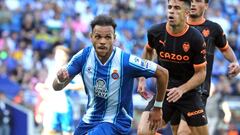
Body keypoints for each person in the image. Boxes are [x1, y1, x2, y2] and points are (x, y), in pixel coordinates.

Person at [52, 15, 169, 135]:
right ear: (91, 37)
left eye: (107, 37)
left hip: (117, 121)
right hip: (90, 119)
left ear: (114, 38)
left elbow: (163, 73)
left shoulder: (125, 61)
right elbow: (56, 87)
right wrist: (60, 79)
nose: (102, 41)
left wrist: (158, 107)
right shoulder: (83, 57)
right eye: (98, 37)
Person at [137, 0, 209, 135]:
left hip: (189, 93)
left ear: (186, 12)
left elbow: (201, 74)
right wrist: (142, 78)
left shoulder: (196, 38)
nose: (171, 11)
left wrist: (181, 89)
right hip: (165, 91)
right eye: (169, 7)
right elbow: (148, 51)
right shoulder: (155, 32)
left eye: (177, 8)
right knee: (143, 132)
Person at [176, 0, 240, 135]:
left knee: (183, 132)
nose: (193, 4)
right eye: (190, 1)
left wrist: (234, 61)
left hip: (199, 90)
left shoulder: (214, 28)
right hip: (174, 87)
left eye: (198, 1)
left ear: (206, 5)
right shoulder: (175, 26)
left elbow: (225, 48)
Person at [35, 45, 83, 135]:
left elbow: (82, 85)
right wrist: (42, 86)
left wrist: (68, 87)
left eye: (62, 55)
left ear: (66, 57)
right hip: (52, 107)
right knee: (48, 131)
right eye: (58, 54)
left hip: (65, 107)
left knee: (67, 133)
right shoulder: (53, 69)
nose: (59, 57)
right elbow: (50, 86)